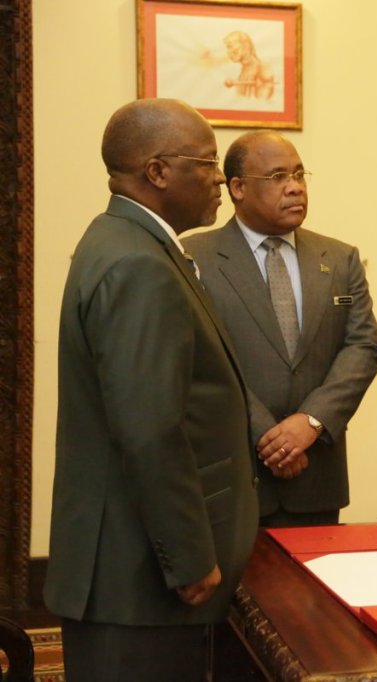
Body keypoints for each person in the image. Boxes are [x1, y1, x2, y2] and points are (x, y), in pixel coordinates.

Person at [44, 99, 258, 681]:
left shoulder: (127, 241)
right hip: (138, 579)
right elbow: (149, 429)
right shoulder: (138, 264)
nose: (220, 178)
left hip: (133, 570)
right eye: (207, 163)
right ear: (158, 171)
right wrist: (188, 558)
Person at [183, 130, 377, 527]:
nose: (295, 188)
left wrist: (310, 422)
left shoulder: (340, 258)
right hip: (233, 478)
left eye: (299, 174)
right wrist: (268, 436)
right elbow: (200, 361)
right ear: (237, 188)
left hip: (316, 476)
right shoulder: (194, 258)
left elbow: (362, 347)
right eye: (277, 177)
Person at [223, 30, 275, 99]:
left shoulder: (262, 67)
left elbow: (262, 100)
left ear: (245, 46)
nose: (228, 52)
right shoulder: (243, 71)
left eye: (230, 46)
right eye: (227, 48)